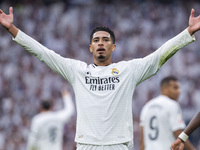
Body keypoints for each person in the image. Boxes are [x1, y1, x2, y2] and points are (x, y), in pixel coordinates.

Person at [0, 7, 200, 150]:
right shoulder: (77, 71)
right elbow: (43, 53)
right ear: (91, 47)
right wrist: (13, 30)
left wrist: (187, 32)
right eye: (96, 40)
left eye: (106, 40)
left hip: (118, 145)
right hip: (87, 145)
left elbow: (159, 56)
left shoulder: (127, 71)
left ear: (113, 47)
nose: (101, 43)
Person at [139, 76, 196, 150]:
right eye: (175, 88)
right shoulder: (172, 104)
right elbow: (177, 132)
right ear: (164, 88)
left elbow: (142, 139)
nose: (179, 91)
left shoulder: (146, 107)